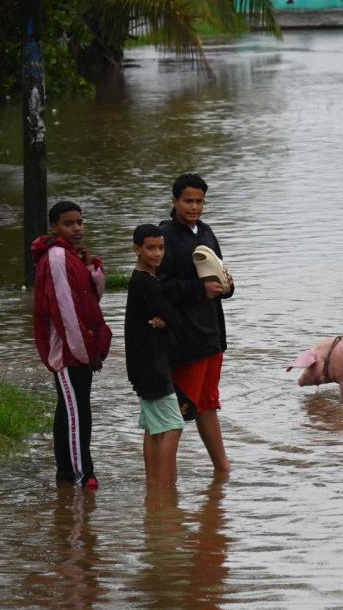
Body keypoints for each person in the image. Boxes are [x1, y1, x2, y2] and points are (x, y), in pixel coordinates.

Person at [32, 201, 113, 490]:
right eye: (69, 223)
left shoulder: (71, 256)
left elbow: (90, 300)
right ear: (54, 227)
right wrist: (85, 353)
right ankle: (83, 475)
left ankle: (67, 473)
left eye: (80, 222)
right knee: (76, 412)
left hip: (80, 348)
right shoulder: (55, 257)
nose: (77, 228)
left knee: (71, 409)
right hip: (68, 351)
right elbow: (65, 311)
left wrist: (91, 267)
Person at [159, 173, 234, 473]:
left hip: (212, 336)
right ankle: (163, 483)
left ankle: (222, 469)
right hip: (186, 339)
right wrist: (199, 290)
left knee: (208, 404)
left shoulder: (206, 232)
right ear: (175, 201)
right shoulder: (163, 237)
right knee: (179, 410)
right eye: (188, 201)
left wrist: (228, 286)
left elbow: (218, 275)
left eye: (199, 201)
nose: (194, 207)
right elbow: (159, 287)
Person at [126, 224, 184, 489]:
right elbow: (174, 318)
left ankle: (154, 486)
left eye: (161, 248)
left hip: (142, 365)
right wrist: (169, 320)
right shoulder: (146, 284)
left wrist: (167, 320)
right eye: (151, 248)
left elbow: (167, 318)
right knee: (173, 425)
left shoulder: (143, 280)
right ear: (136, 249)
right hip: (152, 367)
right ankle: (164, 489)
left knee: (153, 426)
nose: (157, 253)